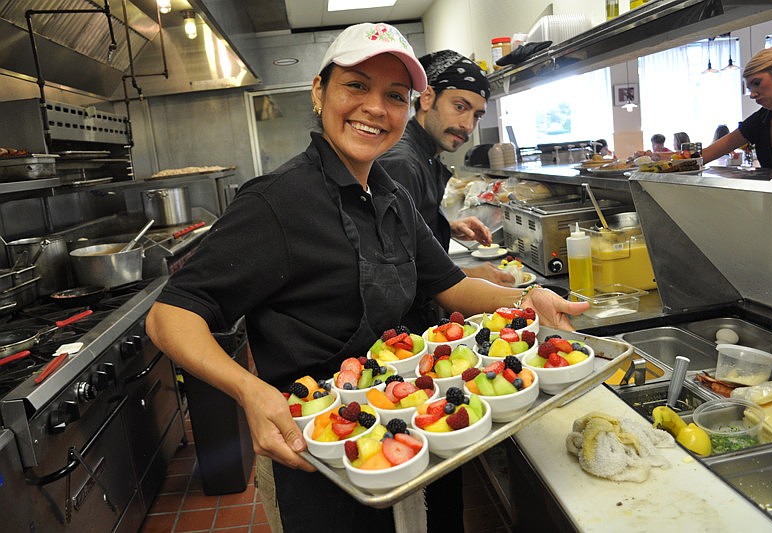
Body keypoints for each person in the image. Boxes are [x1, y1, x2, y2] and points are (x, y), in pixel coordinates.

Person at [145, 22, 589, 533]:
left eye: (395, 96)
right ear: (319, 91)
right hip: (320, 446)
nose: (376, 107)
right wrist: (248, 390)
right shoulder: (276, 202)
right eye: (356, 85)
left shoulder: (390, 193)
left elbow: (449, 284)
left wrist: (530, 298)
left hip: (399, 420)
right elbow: (169, 316)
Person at [379, 49, 514, 333]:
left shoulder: (423, 154)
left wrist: (445, 226)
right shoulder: (402, 162)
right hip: (400, 327)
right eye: (460, 106)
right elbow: (393, 269)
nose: (467, 125)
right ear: (427, 97)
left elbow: (404, 232)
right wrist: (465, 275)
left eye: (477, 115)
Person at [703, 47, 772, 169]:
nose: (752, 95)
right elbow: (709, 153)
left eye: (757, 83)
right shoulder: (760, 120)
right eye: (750, 89)